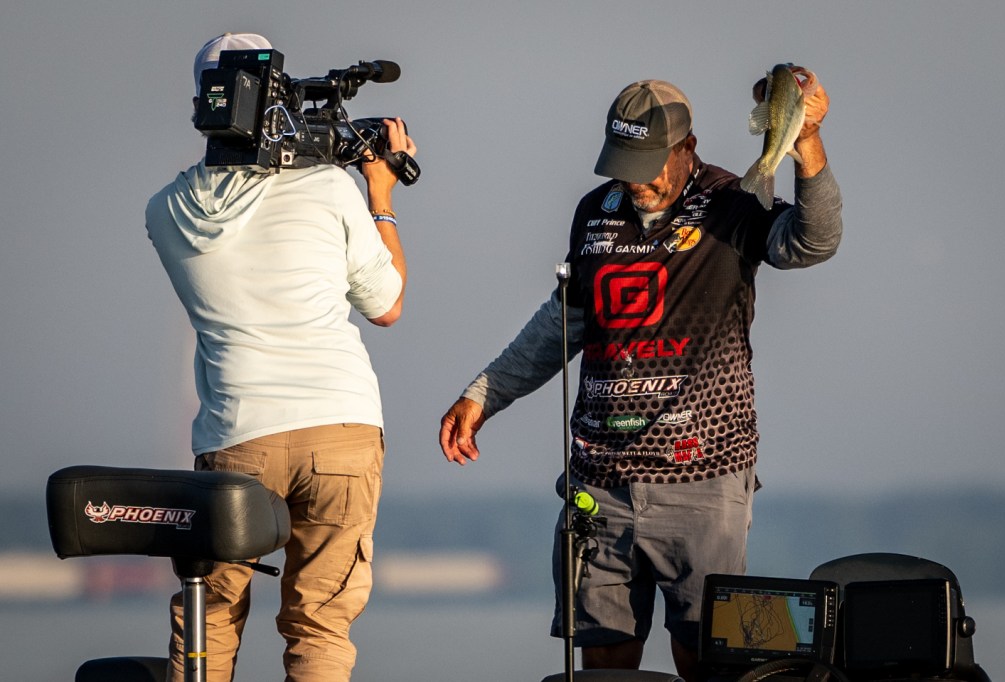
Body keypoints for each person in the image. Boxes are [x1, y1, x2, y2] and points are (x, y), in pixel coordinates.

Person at [439, 71, 841, 680]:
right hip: (598, 483)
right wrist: (483, 395)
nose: (636, 182)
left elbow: (813, 242)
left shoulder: (734, 202)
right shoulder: (594, 212)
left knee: (706, 658)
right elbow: (564, 321)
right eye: (624, 166)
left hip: (703, 476)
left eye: (649, 166)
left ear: (688, 147)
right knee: (604, 661)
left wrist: (805, 141)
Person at [145, 32, 416, 682]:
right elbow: (386, 304)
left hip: (238, 436)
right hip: (341, 425)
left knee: (209, 612)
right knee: (320, 622)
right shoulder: (328, 188)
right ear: (278, 98)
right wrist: (380, 195)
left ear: (204, 104)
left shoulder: (166, 211)